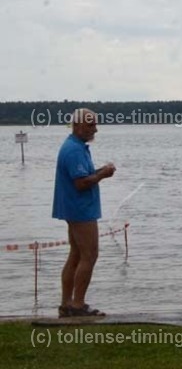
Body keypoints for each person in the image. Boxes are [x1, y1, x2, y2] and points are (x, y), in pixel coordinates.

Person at [52, 108, 116, 318]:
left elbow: (84, 175)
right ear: (77, 125)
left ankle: (66, 303)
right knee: (89, 255)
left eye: (95, 125)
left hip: (74, 208)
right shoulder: (74, 150)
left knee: (76, 254)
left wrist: (99, 171)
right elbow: (80, 183)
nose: (95, 129)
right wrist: (103, 175)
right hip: (80, 210)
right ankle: (77, 305)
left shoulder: (76, 147)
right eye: (90, 125)